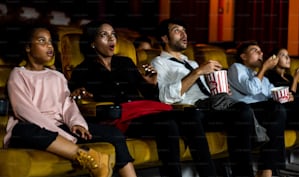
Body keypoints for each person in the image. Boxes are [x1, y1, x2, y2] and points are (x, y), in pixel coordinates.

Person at [68, 19, 217, 177]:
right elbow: (77, 96)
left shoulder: (125, 62)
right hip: (121, 118)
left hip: (143, 111)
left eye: (113, 34)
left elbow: (149, 96)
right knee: (168, 124)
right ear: (93, 42)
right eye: (104, 35)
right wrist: (82, 92)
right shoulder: (83, 70)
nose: (111, 38)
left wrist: (151, 84)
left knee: (191, 116)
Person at [151, 18, 283, 177]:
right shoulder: (159, 63)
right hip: (192, 109)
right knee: (196, 115)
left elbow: (208, 91)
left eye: (184, 30)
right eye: (177, 30)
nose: (184, 34)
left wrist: (221, 88)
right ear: (165, 38)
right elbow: (165, 97)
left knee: (250, 109)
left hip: (212, 105)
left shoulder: (191, 63)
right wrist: (198, 72)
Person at [3, 23, 137, 177]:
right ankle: (93, 160)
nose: (49, 46)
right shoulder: (18, 74)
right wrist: (62, 135)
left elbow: (68, 105)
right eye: (42, 41)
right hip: (35, 128)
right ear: (27, 47)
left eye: (50, 41)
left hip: (60, 127)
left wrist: (76, 124)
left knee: (114, 134)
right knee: (22, 130)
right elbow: (25, 112)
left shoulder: (57, 76)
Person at [227, 41, 287, 177]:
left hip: (261, 110)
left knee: (279, 109)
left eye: (261, 51)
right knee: (275, 110)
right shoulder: (236, 68)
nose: (261, 53)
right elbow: (251, 89)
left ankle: (266, 168)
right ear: (243, 56)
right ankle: (266, 170)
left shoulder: (263, 77)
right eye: (255, 50)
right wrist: (264, 68)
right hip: (242, 110)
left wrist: (285, 96)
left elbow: (271, 94)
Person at [266, 47, 299, 134]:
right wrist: (296, 79)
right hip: (287, 114)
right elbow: (287, 100)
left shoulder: (289, 77)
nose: (288, 58)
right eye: (283, 55)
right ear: (275, 59)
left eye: (288, 55)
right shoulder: (271, 77)